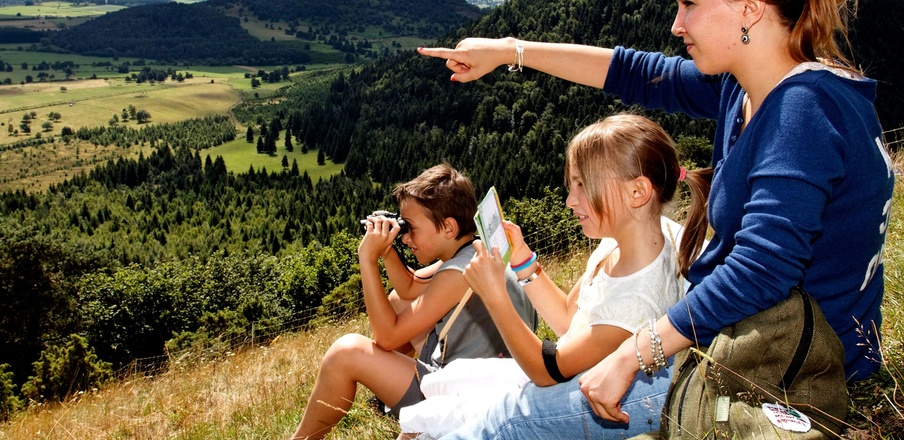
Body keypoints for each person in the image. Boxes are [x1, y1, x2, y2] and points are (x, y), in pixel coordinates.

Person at [419, 0, 891, 436]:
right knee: (475, 396)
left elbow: (761, 271)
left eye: (690, 4)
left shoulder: (802, 112)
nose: (676, 24)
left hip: (777, 362)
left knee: (507, 423)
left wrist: (637, 350)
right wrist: (508, 51)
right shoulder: (752, 87)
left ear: (749, 6)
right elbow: (636, 73)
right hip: (743, 332)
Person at [397, 114, 707, 438]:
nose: (570, 200)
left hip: (564, 389)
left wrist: (495, 297)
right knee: (445, 383)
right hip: (563, 371)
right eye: (572, 185)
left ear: (638, 192)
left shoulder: (637, 303)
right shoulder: (621, 242)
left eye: (584, 186)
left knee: (437, 424)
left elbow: (548, 371)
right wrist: (522, 260)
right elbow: (567, 319)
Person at [291, 163, 537, 439]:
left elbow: (387, 338)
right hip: (494, 381)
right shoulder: (474, 252)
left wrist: (367, 259)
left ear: (448, 228)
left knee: (345, 354)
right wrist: (387, 251)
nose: (406, 237)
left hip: (468, 400)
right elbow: (409, 287)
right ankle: (394, 390)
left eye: (412, 228)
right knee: (399, 302)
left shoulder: (457, 275)